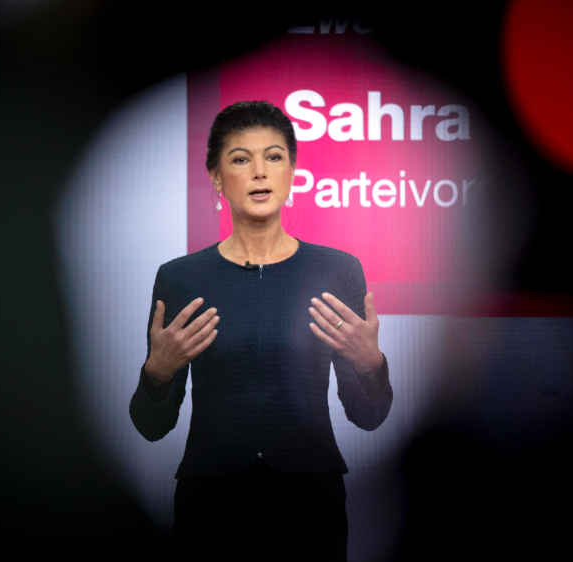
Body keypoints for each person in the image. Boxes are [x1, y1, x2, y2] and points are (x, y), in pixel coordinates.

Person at [128, 101, 393, 561]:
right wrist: (157, 373)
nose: (259, 172)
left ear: (292, 172)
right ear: (216, 177)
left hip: (311, 506)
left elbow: (368, 416)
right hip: (210, 507)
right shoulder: (180, 278)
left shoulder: (338, 270)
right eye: (240, 159)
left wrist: (372, 365)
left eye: (273, 157)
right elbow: (151, 426)